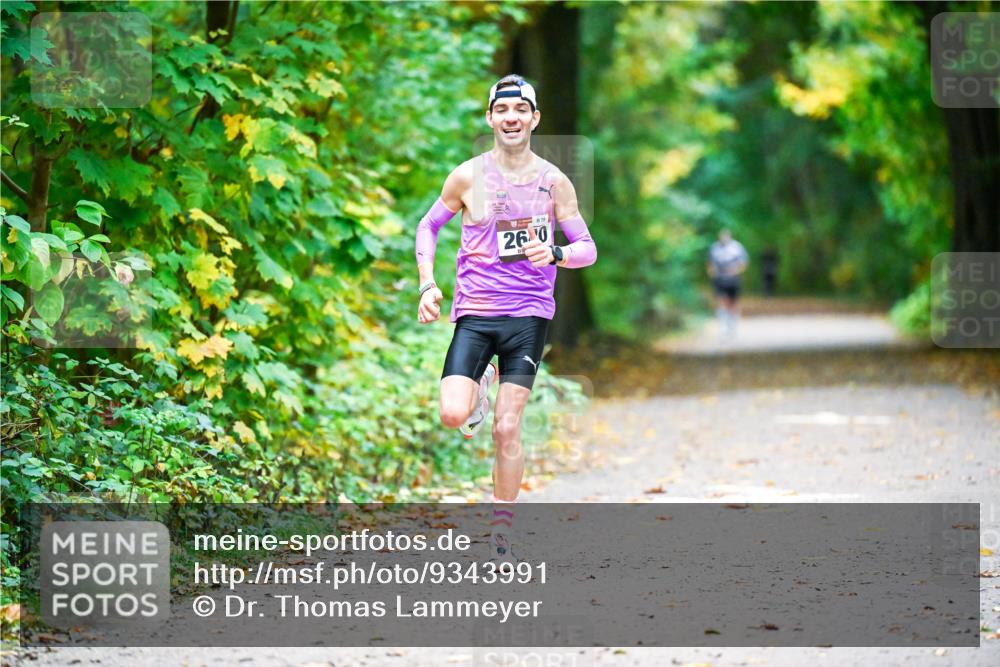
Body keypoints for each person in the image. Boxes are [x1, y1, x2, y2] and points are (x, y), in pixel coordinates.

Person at [414, 74, 597, 568]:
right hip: (475, 314)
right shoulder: (467, 176)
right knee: (454, 415)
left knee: (505, 428)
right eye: (502, 110)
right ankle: (483, 377)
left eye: (521, 110)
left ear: (534, 118)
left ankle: (501, 534)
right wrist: (427, 283)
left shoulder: (554, 182)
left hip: (528, 317)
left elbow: (587, 249)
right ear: (491, 118)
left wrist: (555, 252)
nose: (511, 118)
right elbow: (428, 226)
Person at [706, 229, 748, 337]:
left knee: (733, 303)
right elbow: (709, 264)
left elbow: (743, 263)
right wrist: (713, 273)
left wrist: (735, 271)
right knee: (722, 301)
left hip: (733, 280)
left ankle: (733, 326)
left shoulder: (737, 247)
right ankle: (723, 327)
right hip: (720, 280)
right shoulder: (714, 248)